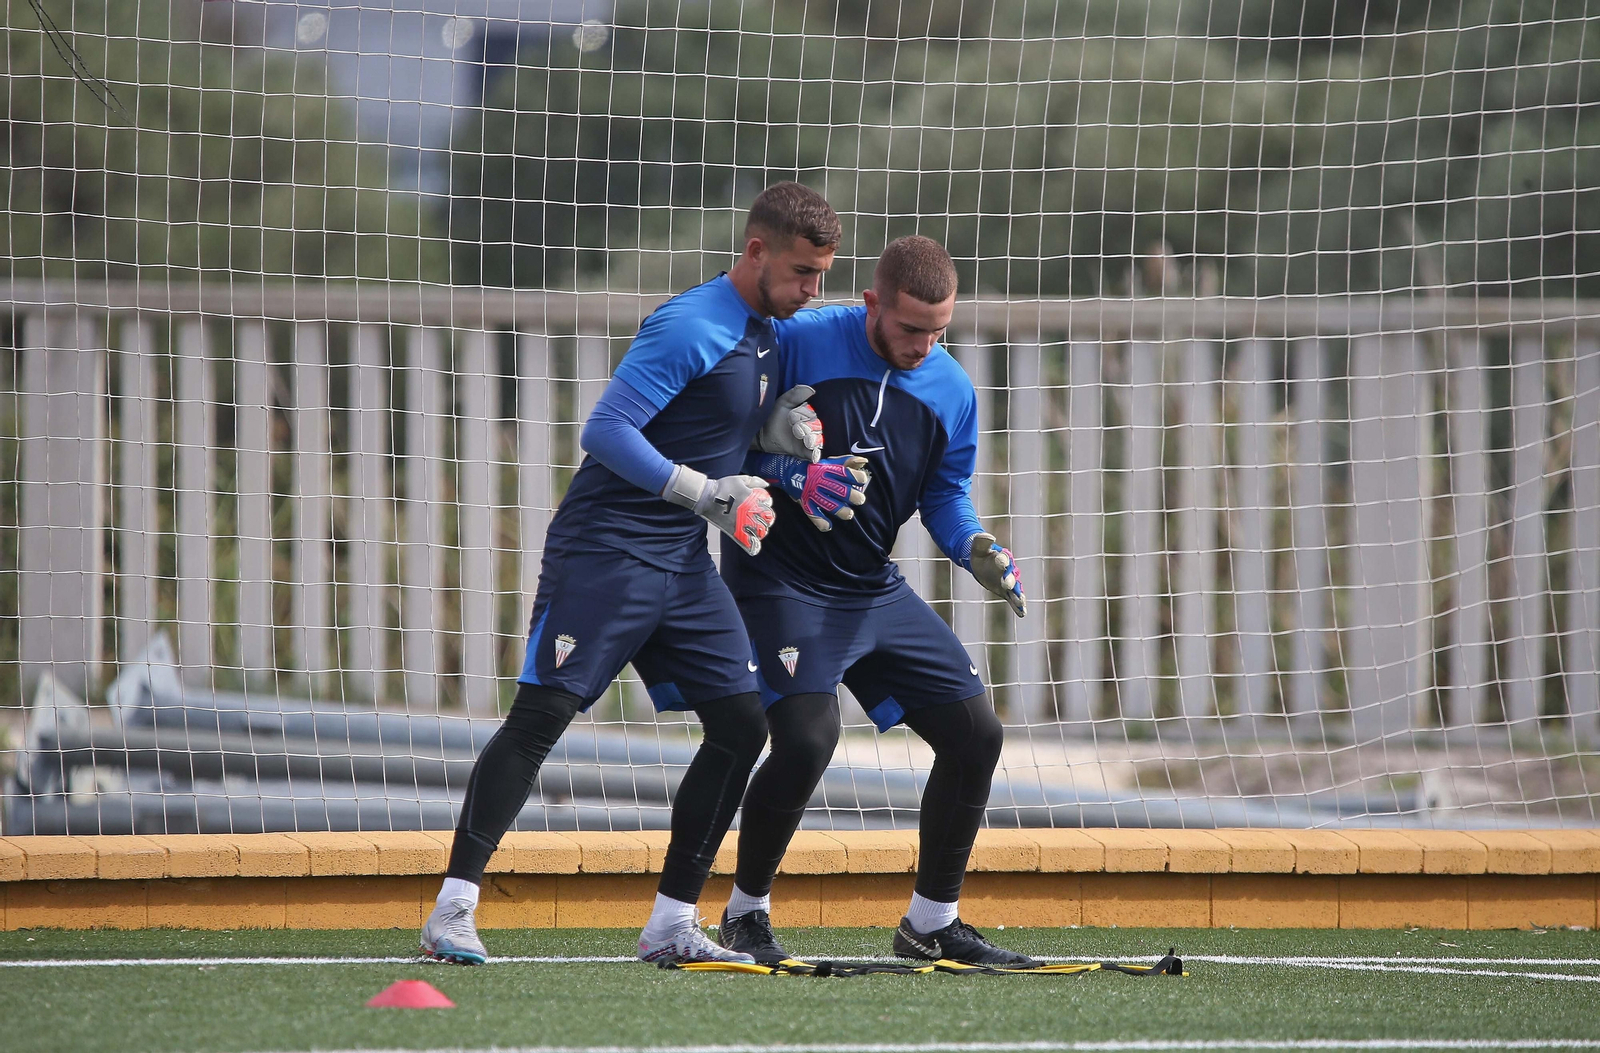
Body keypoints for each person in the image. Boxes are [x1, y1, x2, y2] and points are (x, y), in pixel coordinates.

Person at [420, 182, 842, 966]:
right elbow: (606, 429)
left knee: (744, 724)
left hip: (681, 560)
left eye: (821, 275)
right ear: (756, 252)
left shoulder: (765, 329)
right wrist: (703, 492)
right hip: (607, 551)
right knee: (541, 717)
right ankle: (452, 910)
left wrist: (770, 445)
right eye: (802, 273)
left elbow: (707, 438)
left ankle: (672, 923)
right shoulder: (690, 324)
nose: (812, 291)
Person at [721, 235, 1033, 967]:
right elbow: (722, 440)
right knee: (805, 738)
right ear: (871, 302)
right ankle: (745, 914)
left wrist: (975, 545)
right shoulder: (795, 343)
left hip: (869, 585)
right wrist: (791, 475)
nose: (923, 344)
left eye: (938, 330)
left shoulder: (952, 391)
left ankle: (932, 922)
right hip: (779, 577)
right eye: (908, 328)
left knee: (975, 735)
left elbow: (944, 496)